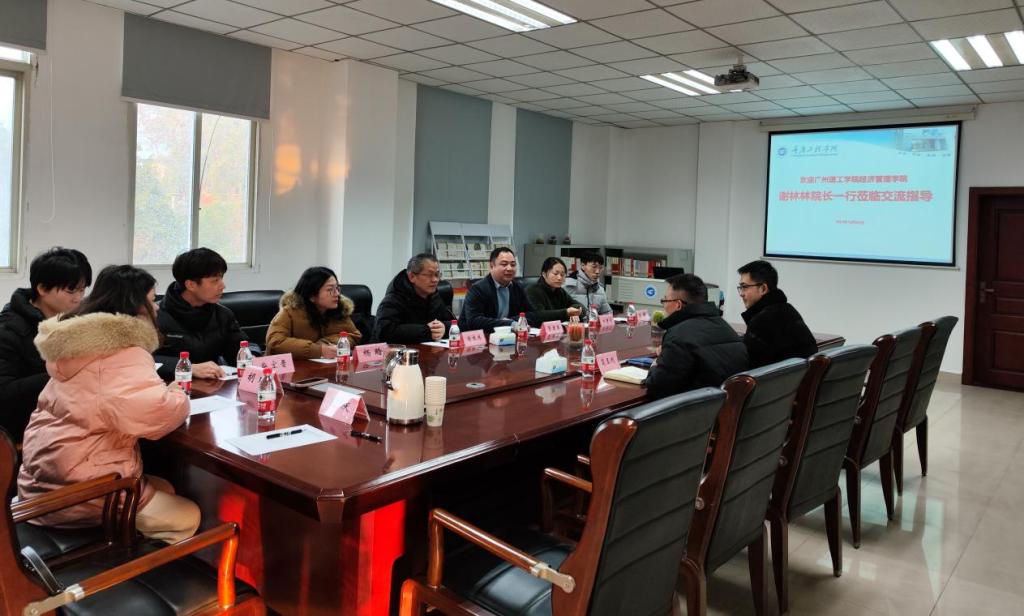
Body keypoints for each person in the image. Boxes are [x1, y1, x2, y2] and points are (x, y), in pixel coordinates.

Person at [18, 265, 199, 543]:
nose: (157, 308)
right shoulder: (122, 352)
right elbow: (157, 415)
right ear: (134, 306)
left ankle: (129, 542)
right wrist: (177, 394)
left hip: (45, 478)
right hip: (80, 489)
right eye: (152, 300)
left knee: (165, 486)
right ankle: (132, 565)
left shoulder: (77, 347)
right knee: (188, 515)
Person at [0, 247, 92, 443]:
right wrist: (61, 373)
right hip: (28, 429)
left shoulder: (73, 320)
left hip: (65, 417)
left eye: (82, 290)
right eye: (71, 291)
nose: (78, 298)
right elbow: (5, 394)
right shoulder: (8, 330)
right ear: (42, 289)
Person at [644, 273, 748, 401]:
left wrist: (656, 363)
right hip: (726, 406)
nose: (663, 305)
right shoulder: (726, 328)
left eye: (665, 300)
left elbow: (658, 386)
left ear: (678, 305)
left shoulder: (678, 335)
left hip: (698, 410)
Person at [153, 248, 248, 380]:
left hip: (212, 386)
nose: (223, 286)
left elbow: (240, 347)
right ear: (191, 285)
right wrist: (189, 367)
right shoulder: (155, 316)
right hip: (167, 387)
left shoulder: (222, 315)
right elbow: (140, 361)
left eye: (221, 278)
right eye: (215, 280)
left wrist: (252, 356)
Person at [459, 247, 566, 332]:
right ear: (491, 266)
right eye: (504, 264)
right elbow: (474, 321)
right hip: (476, 341)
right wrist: (510, 324)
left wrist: (512, 321)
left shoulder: (517, 288)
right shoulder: (478, 289)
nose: (509, 268)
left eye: (513, 264)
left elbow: (532, 315)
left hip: (508, 338)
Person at [266, 266, 362, 358]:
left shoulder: (339, 311)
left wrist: (326, 342)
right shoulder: (289, 313)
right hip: (296, 367)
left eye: (337, 288)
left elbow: (354, 335)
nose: (337, 294)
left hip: (328, 366)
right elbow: (275, 343)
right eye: (330, 289)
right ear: (312, 296)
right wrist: (319, 350)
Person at [737, 260, 818, 368]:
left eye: (745, 287)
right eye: (740, 288)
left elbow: (750, 368)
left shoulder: (761, 321)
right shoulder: (788, 310)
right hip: (800, 376)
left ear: (763, 288)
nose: (741, 294)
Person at [373, 254, 455, 344]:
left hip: (430, 349)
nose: (435, 280)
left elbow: (455, 323)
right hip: (402, 352)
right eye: (430, 275)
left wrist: (444, 327)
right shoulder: (394, 299)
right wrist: (426, 331)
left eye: (437, 274)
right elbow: (384, 332)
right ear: (412, 277)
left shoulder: (434, 296)